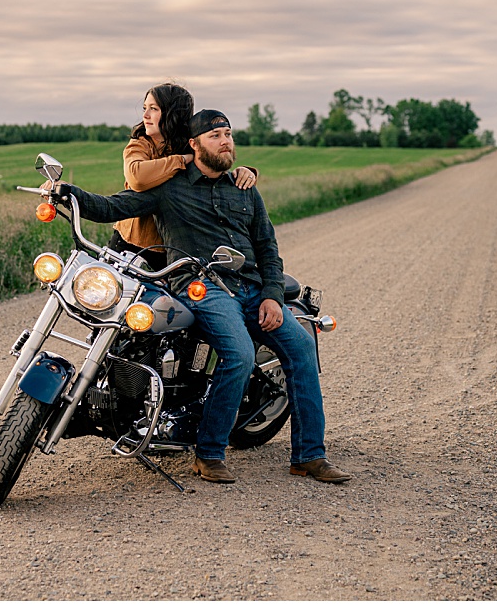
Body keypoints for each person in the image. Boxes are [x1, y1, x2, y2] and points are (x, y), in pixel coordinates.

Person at [54, 109, 351, 486]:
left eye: (228, 134)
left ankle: (309, 456)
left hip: (251, 287)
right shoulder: (170, 188)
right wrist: (70, 194)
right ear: (194, 145)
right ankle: (209, 454)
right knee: (240, 353)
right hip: (203, 287)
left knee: (303, 347)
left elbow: (267, 247)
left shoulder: (244, 189)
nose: (226, 141)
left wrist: (273, 296)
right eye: (216, 136)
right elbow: (115, 205)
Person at [109, 83, 257, 272]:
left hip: (175, 251)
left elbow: (214, 168)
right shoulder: (140, 145)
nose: (145, 115)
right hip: (131, 245)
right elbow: (137, 177)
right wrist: (180, 160)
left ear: (173, 113)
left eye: (153, 109)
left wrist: (245, 171)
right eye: (145, 108)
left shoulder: (192, 145)